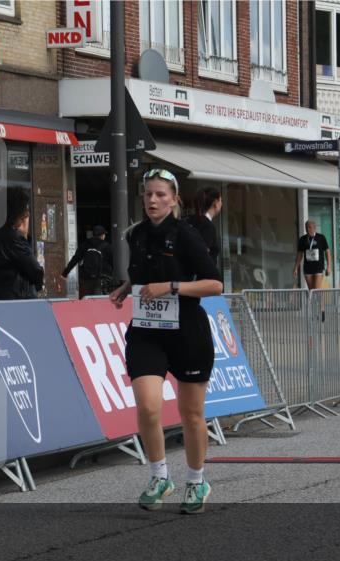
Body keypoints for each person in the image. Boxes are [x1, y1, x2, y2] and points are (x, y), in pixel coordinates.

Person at [108, 168, 223, 514]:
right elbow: (144, 273)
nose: (153, 200)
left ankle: (196, 480)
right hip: (147, 332)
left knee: (191, 413)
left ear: (174, 199)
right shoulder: (136, 235)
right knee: (147, 405)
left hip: (187, 331)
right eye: (148, 194)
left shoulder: (186, 234)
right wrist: (127, 287)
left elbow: (215, 284)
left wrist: (172, 288)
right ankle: (160, 477)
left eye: (160, 194)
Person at [0, 187, 44, 301]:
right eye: (24, 210)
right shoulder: (12, 237)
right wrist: (24, 235)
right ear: (16, 211)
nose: (26, 214)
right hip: (10, 302)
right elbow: (36, 272)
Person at [63, 225, 112, 297]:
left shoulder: (84, 245)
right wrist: (110, 275)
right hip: (100, 278)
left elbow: (75, 259)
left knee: (88, 298)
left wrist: (65, 273)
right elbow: (111, 261)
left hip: (86, 278)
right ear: (102, 235)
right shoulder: (107, 246)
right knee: (98, 300)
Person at [188, 186, 221, 265]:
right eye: (221, 201)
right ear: (215, 203)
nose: (221, 204)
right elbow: (202, 257)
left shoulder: (189, 220)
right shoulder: (208, 226)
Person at [294, 220, 331, 289]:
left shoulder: (321, 237)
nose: (308, 229)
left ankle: (317, 300)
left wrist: (329, 266)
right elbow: (300, 254)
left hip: (318, 267)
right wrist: (296, 267)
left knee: (316, 290)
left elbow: (327, 252)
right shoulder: (302, 239)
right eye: (306, 227)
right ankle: (312, 300)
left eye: (310, 227)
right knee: (311, 291)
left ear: (314, 228)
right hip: (308, 268)